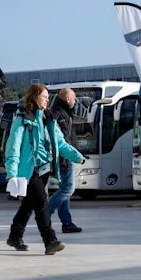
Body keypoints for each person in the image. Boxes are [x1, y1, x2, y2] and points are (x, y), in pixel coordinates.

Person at [4, 84, 86, 255]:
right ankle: (50, 240)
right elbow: (13, 147)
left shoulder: (48, 119)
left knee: (28, 205)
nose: (48, 100)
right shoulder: (22, 119)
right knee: (41, 203)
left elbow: (60, 143)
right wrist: (12, 174)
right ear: (34, 97)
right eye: (45, 97)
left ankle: (15, 235)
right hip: (28, 170)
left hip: (43, 169)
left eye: (48, 97)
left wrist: (77, 156)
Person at [47, 88, 83, 233]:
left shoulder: (61, 112)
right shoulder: (59, 114)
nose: (75, 102)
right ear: (68, 99)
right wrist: (72, 155)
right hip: (64, 157)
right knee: (68, 189)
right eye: (74, 99)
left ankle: (66, 222)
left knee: (65, 190)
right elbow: (62, 140)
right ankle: (45, 213)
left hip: (65, 157)